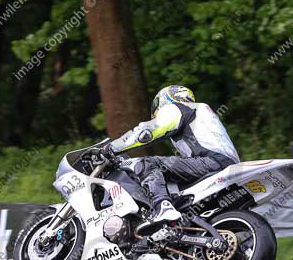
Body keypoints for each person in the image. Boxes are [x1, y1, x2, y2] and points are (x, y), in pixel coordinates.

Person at [94, 85, 240, 229]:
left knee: (148, 164)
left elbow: (148, 132)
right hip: (226, 164)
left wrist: (113, 147)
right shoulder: (201, 111)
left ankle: (162, 207)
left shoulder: (178, 108)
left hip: (210, 162)